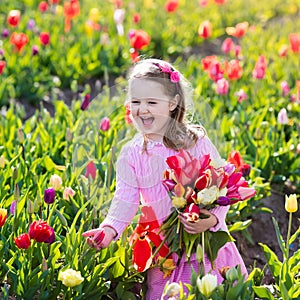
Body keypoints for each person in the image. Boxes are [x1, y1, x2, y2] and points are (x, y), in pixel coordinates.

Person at [82, 58, 248, 299]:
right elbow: (124, 202)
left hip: (205, 243)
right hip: (164, 251)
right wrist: (108, 231)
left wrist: (210, 220)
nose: (143, 109)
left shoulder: (195, 142)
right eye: (136, 102)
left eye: (151, 101)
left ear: (173, 103)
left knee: (213, 292)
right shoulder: (132, 153)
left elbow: (223, 188)